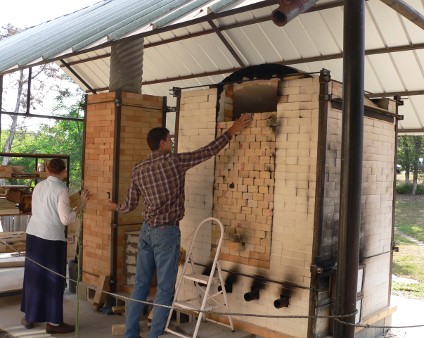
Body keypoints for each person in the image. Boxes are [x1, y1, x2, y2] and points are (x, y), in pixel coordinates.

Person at [108, 113, 252, 338]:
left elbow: (129, 204)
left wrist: (115, 207)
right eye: (170, 140)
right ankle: (154, 335)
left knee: (140, 285)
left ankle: (130, 334)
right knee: (165, 289)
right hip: (166, 232)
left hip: (146, 230)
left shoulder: (138, 169)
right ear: (162, 142)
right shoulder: (174, 162)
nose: (172, 143)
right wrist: (231, 131)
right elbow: (206, 152)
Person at [20, 158, 89, 334]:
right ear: (64, 172)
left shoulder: (39, 186)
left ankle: (30, 316)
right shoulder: (61, 189)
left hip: (34, 235)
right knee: (53, 280)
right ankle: (54, 323)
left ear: (48, 170)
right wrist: (81, 204)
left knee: (34, 277)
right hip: (50, 240)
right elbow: (65, 219)